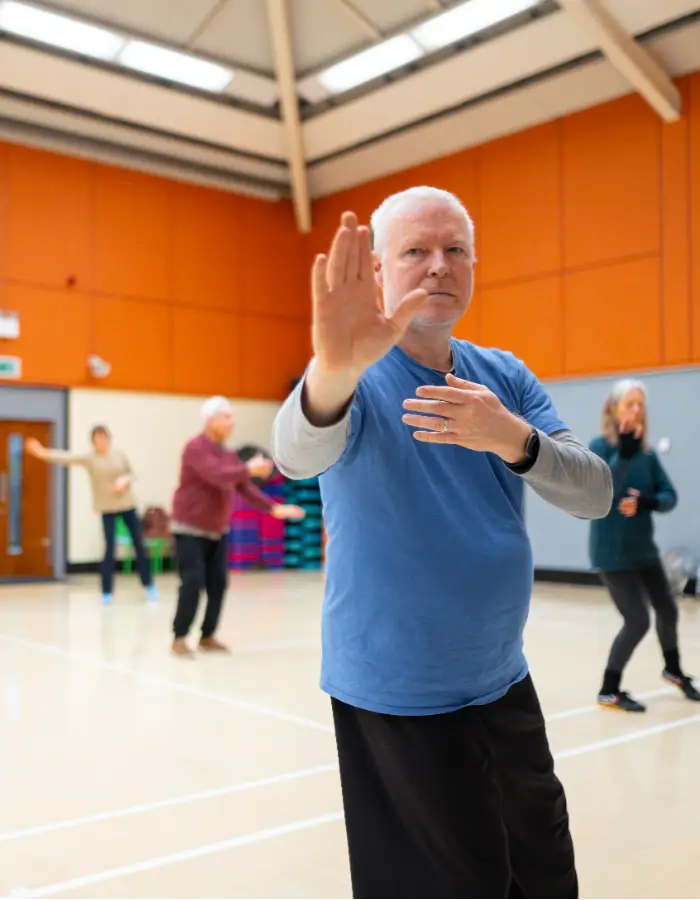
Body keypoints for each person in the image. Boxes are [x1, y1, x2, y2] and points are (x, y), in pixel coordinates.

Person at [271, 186, 613, 900]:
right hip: (397, 695)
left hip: (500, 675)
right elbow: (295, 455)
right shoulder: (353, 378)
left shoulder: (505, 377)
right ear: (379, 271)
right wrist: (332, 368)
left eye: (455, 249)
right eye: (416, 251)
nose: (438, 266)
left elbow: (594, 492)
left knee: (544, 873)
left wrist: (511, 438)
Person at [589, 378, 700, 712]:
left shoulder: (647, 453)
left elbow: (670, 496)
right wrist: (623, 454)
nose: (637, 411)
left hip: (644, 552)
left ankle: (674, 670)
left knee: (668, 610)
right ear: (614, 409)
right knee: (637, 620)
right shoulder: (598, 446)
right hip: (612, 554)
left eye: (641, 405)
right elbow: (601, 492)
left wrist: (647, 502)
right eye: (630, 404)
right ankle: (609, 689)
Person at [170, 396, 305, 657]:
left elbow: (243, 486)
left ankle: (207, 636)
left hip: (217, 529)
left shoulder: (229, 454)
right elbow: (217, 476)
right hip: (189, 528)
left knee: (218, 584)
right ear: (211, 421)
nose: (232, 423)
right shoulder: (195, 448)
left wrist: (274, 508)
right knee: (192, 582)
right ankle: (179, 637)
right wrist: (247, 468)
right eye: (226, 417)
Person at [26, 426, 156, 605]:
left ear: (108, 439)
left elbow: (131, 473)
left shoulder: (119, 455)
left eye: (104, 437)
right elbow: (66, 457)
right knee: (109, 549)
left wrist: (123, 481)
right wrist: (42, 452)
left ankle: (148, 584)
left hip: (127, 505)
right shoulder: (90, 458)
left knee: (139, 545)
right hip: (106, 508)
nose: (101, 440)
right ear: (93, 441)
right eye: (97, 437)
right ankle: (107, 592)